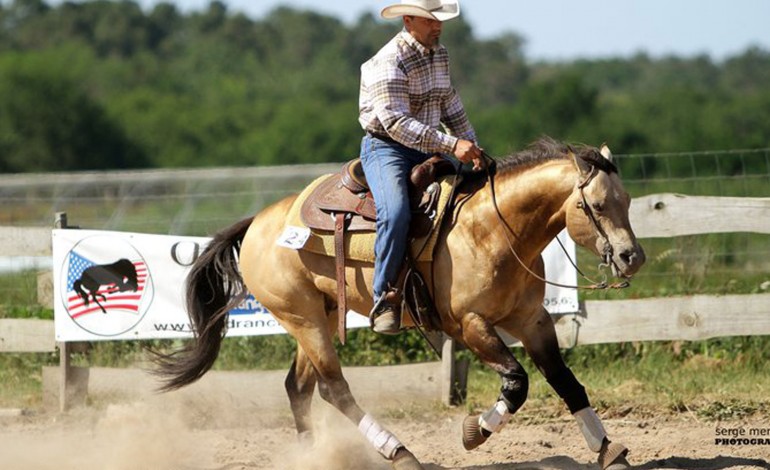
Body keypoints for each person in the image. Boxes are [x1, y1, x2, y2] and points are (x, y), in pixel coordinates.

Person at [359, 0, 483, 334]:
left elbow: (449, 102)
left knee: (476, 195)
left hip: (427, 148)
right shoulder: (388, 61)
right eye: (430, 20)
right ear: (409, 19)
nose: (438, 26)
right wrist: (451, 145)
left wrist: (472, 145)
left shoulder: (439, 54)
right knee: (396, 211)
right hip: (388, 149)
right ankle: (384, 296)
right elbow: (396, 123)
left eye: (439, 20)